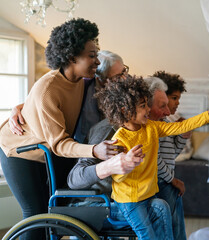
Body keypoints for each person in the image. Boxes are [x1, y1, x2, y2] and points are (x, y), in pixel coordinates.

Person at [0, 19, 138, 240]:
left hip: (49, 150)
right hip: (20, 151)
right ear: (72, 57)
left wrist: (19, 106)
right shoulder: (48, 89)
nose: (97, 61)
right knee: (35, 214)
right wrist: (94, 151)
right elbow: (59, 142)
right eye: (92, 56)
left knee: (53, 213)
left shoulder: (82, 81)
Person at [94, 75, 209, 240]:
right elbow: (116, 175)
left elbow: (181, 127)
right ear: (125, 110)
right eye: (143, 106)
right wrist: (128, 163)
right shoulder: (120, 139)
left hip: (148, 196)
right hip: (130, 201)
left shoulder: (152, 127)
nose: (147, 110)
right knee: (148, 236)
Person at [152, 71, 189, 240]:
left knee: (176, 225)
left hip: (166, 180)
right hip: (160, 182)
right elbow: (154, 159)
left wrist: (183, 136)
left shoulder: (165, 123)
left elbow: (171, 155)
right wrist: (172, 180)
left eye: (178, 99)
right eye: (173, 98)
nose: (176, 104)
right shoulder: (152, 126)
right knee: (169, 227)